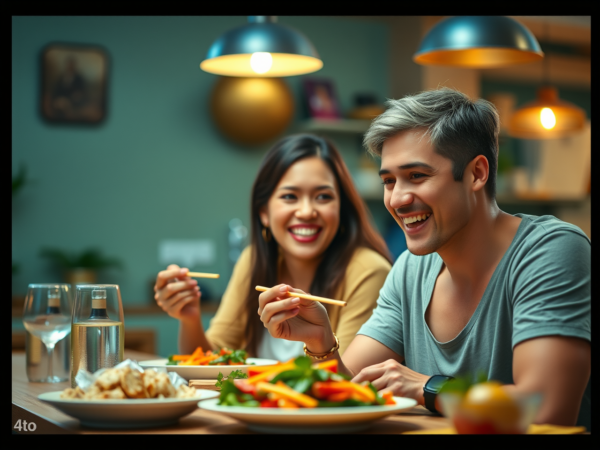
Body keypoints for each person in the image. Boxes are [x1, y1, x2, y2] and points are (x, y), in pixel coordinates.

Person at [257, 88, 591, 429]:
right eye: (389, 181)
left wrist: (429, 387)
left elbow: (547, 408)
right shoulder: (410, 270)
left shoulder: (550, 250)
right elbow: (347, 390)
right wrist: (320, 342)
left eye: (417, 176)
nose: (398, 199)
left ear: (476, 173)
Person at [154, 133, 393, 361]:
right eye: (290, 196)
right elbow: (211, 360)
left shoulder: (369, 271)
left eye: (323, 197)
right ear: (264, 212)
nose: (307, 212)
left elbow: (347, 381)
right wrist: (189, 319)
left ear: (341, 209)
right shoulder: (252, 260)